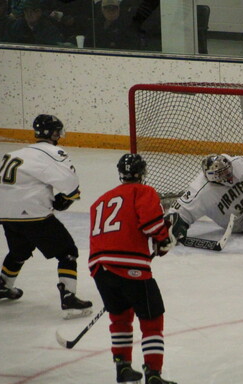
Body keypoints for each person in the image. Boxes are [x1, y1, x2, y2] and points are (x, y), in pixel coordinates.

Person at [0, 114, 93, 319]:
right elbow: (69, 183)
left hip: (6, 214)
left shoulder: (14, 153)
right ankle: (68, 297)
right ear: (54, 133)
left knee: (19, 251)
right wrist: (69, 197)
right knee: (67, 252)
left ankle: (3, 287)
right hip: (33, 214)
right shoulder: (53, 152)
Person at [89, 153, 177, 384]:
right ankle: (153, 373)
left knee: (120, 317)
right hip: (130, 267)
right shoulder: (144, 191)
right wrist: (164, 236)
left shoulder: (100, 200)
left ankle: (123, 367)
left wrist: (156, 245)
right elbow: (150, 224)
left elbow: (119, 234)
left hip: (99, 267)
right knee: (152, 319)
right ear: (142, 173)